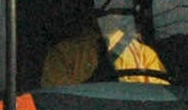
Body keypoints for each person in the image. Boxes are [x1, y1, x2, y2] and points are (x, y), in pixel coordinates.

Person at [39, 15, 169, 87]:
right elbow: (58, 101)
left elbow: (161, 98)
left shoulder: (143, 54)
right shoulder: (64, 53)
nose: (111, 16)